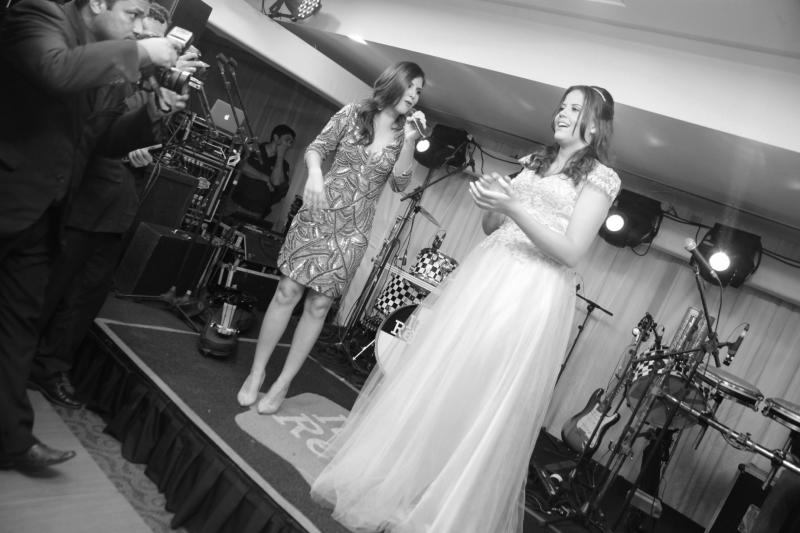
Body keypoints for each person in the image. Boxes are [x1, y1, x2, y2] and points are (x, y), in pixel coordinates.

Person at [310, 85, 621, 532]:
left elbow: (572, 251)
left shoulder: (601, 178)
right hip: (487, 274)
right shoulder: (536, 161)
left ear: (594, 123)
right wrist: (493, 205)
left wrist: (515, 207)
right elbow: (494, 227)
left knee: (484, 393)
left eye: (575, 108)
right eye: (561, 106)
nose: (562, 113)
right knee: (447, 376)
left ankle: (445, 508)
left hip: (530, 290)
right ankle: (408, 482)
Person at [0, 0, 181, 471]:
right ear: (98, 2)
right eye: (134, 13)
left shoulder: (103, 57)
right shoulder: (39, 15)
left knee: (18, 326)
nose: (139, 27)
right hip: (8, 193)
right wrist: (144, 52)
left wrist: (153, 110)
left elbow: (102, 140)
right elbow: (56, 70)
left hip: (44, 212)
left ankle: (11, 440)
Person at [27, 2, 202, 410]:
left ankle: (51, 367)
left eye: (153, 35)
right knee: (46, 288)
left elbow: (158, 128)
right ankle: (19, 362)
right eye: (140, 31)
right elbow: (99, 123)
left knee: (85, 297)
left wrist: (166, 93)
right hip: (82, 197)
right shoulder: (106, 61)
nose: (143, 37)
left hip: (120, 204)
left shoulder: (155, 74)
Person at [236, 61, 427, 414]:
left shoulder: (405, 135)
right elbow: (316, 148)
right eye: (412, 86)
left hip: (353, 232)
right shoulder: (354, 113)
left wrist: (412, 141)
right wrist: (313, 173)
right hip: (318, 213)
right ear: (394, 83)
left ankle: (283, 383)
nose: (415, 95)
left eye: (420, 91)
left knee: (319, 306)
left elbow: (401, 184)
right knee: (287, 291)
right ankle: (257, 372)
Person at [228, 124, 297, 223]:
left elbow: (276, 182)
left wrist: (280, 155)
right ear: (276, 138)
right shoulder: (254, 148)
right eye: (287, 140)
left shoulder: (283, 164)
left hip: (256, 212)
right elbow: (241, 165)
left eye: (291, 142)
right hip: (234, 203)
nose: (288, 145)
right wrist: (266, 178)